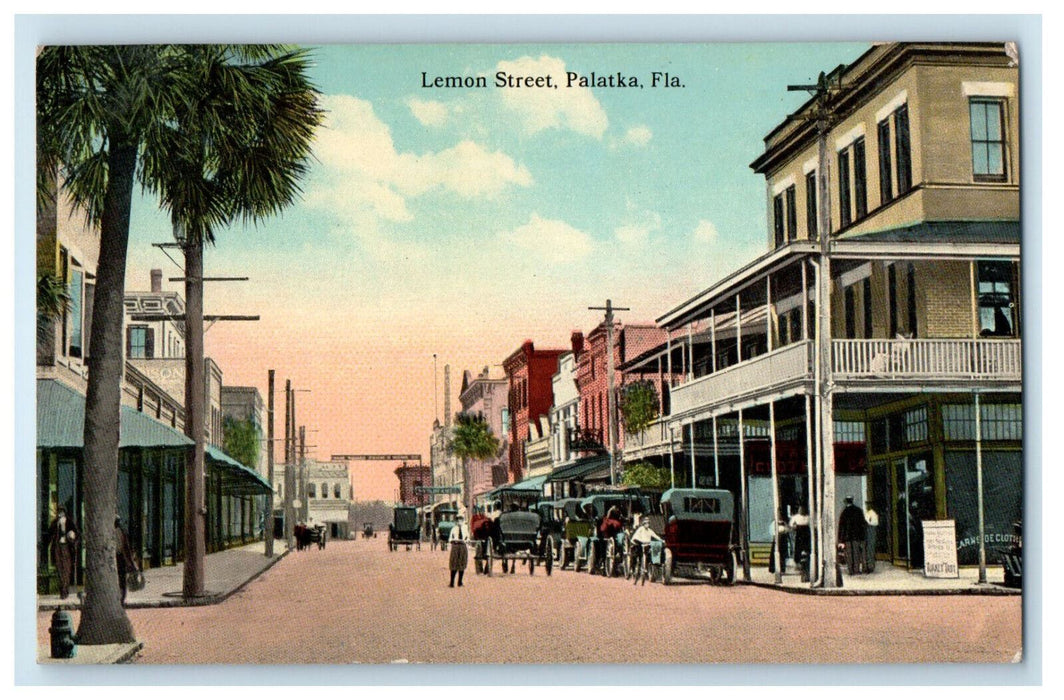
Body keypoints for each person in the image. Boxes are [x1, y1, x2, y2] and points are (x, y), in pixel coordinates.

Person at [48, 506, 78, 599]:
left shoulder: (69, 522)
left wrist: (72, 537)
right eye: (59, 511)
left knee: (66, 569)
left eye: (61, 511)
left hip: (66, 547)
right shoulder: (55, 522)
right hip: (58, 546)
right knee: (59, 568)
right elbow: (50, 533)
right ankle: (62, 590)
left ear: (64, 512)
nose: (60, 513)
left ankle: (65, 590)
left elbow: (76, 533)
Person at [838, 497, 867, 576]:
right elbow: (862, 524)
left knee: (849, 555)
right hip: (857, 536)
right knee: (856, 553)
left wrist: (840, 540)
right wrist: (863, 536)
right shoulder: (858, 511)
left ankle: (851, 570)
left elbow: (841, 527)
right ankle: (856, 569)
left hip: (847, 537)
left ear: (846, 502)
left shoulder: (844, 512)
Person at [115, 517, 139, 605]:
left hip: (119, 557)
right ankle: (120, 598)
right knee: (121, 580)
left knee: (121, 579)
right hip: (118, 557)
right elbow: (126, 548)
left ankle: (120, 598)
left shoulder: (121, 532)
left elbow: (126, 548)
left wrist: (130, 562)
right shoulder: (121, 531)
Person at [789, 506, 812, 580]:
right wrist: (794, 527)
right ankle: (798, 563)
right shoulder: (796, 517)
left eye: (803, 509)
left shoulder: (808, 517)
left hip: (806, 534)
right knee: (798, 548)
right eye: (800, 509)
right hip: (799, 533)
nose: (801, 510)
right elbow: (791, 525)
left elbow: (812, 524)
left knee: (806, 548)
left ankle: (806, 564)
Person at [448, 513, 469, 587]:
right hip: (455, 546)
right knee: (453, 564)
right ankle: (452, 582)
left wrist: (465, 541)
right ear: (456, 520)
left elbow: (467, 538)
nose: (459, 521)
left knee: (462, 564)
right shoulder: (453, 529)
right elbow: (450, 539)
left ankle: (460, 582)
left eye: (461, 519)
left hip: (463, 546)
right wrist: (454, 540)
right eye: (458, 519)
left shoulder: (465, 528)